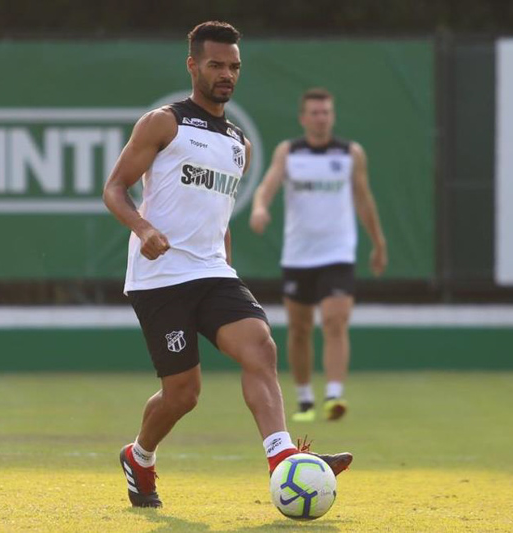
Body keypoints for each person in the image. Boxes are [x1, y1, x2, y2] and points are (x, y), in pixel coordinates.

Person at [103, 22, 353, 509]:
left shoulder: (239, 142)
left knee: (260, 345)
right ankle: (139, 457)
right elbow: (114, 189)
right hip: (161, 278)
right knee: (183, 394)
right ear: (193, 65)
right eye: (216, 64)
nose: (226, 74)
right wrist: (144, 229)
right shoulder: (164, 122)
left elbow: (220, 217)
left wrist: (228, 272)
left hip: (214, 273)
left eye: (234, 66)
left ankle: (282, 458)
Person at [249, 88, 387, 423]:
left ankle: (335, 395)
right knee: (299, 328)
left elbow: (364, 199)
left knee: (335, 321)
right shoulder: (289, 152)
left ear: (333, 116)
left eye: (326, 112)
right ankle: (305, 399)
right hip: (298, 255)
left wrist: (378, 243)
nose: (320, 117)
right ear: (303, 117)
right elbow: (268, 184)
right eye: (314, 112)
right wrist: (260, 207)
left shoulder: (350, 154)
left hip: (338, 253)